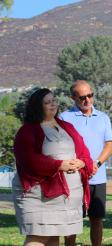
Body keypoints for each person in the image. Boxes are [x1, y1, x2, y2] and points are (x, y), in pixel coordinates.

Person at [12, 88, 93, 245]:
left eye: (54, 100)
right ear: (37, 106)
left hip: (65, 197)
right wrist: (59, 165)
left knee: (54, 236)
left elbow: (84, 152)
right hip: (38, 195)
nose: (53, 104)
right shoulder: (27, 131)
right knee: (38, 236)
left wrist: (82, 162)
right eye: (47, 102)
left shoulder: (67, 127)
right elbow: (28, 160)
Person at [60, 80, 112, 246]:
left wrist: (96, 164)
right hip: (74, 178)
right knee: (73, 220)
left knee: (96, 219)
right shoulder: (64, 118)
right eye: (82, 97)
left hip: (97, 178)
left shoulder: (103, 118)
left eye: (90, 95)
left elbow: (109, 145)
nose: (87, 100)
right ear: (73, 98)